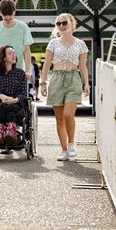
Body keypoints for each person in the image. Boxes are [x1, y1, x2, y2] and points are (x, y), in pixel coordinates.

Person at [40, 13, 90, 161]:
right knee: (59, 118)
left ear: (72, 24)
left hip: (73, 78)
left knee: (69, 114)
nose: (61, 26)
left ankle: (71, 144)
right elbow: (47, 65)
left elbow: (83, 66)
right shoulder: (53, 43)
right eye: (58, 23)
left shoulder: (81, 44)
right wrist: (43, 83)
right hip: (56, 79)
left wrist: (86, 83)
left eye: (64, 23)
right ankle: (63, 150)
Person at [0, 0, 34, 80]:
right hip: (1, 72)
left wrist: (27, 71)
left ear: (14, 12)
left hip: (18, 71)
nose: (8, 20)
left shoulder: (23, 27)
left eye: (11, 17)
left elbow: (27, 51)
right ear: (0, 13)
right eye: (5, 18)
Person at [0, 45, 27, 146]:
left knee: (9, 106)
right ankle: (11, 133)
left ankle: (0, 134)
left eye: (14, 53)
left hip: (17, 104)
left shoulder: (20, 73)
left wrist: (14, 100)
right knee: (3, 106)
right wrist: (1, 96)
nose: (14, 55)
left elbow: (23, 94)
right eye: (10, 53)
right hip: (0, 104)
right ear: (4, 58)